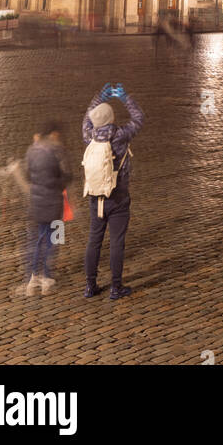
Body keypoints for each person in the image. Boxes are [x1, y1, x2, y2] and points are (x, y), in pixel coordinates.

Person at [82, 82, 144, 299]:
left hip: (95, 197)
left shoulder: (89, 136)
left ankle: (90, 286)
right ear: (111, 119)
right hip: (118, 197)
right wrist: (125, 97)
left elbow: (87, 118)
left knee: (94, 240)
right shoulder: (120, 135)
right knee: (117, 242)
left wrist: (99, 96)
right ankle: (116, 288)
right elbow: (138, 119)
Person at [21, 122, 71, 297]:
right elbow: (66, 176)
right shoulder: (57, 152)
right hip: (54, 202)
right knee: (54, 237)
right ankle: (47, 275)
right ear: (54, 134)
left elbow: (28, 175)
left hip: (35, 202)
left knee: (37, 238)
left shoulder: (31, 150)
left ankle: (34, 274)